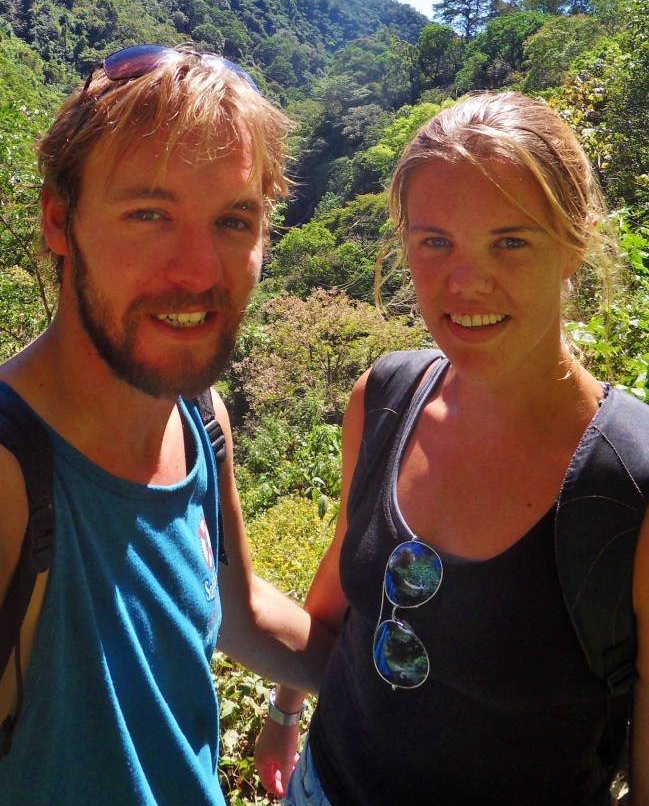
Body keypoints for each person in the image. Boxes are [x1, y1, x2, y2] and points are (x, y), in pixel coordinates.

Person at [255, 91, 649, 805]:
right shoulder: (383, 397)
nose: (464, 283)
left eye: (510, 241)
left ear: (575, 245)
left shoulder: (630, 479)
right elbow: (341, 593)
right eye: (434, 241)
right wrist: (285, 710)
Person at [0, 45, 333, 806]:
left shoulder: (199, 421)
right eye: (148, 214)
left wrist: (429, 689)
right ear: (60, 218)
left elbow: (240, 614)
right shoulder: (10, 478)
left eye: (232, 220)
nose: (196, 271)